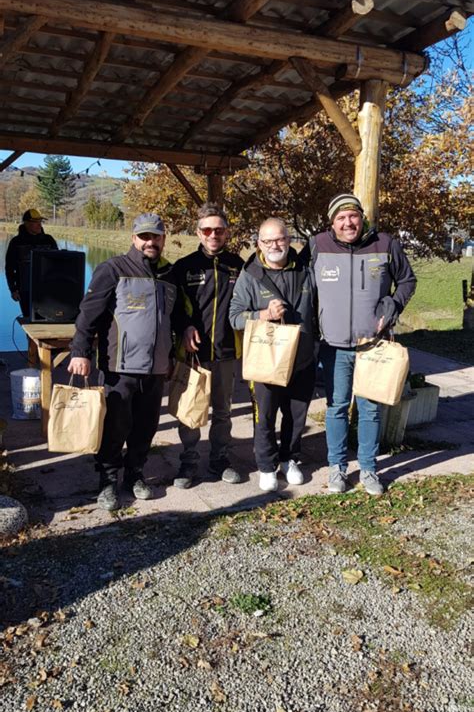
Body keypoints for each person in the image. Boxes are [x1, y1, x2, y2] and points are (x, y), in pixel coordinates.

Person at [68, 213, 189, 511]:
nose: (150, 241)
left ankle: (135, 474)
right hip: (119, 367)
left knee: (146, 426)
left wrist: (179, 342)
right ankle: (107, 480)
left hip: (157, 368)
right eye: (144, 236)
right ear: (134, 238)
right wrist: (79, 352)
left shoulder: (169, 274)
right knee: (115, 425)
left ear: (163, 238)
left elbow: (175, 318)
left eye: (156, 236)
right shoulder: (113, 269)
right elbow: (88, 315)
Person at [307, 192, 417, 495]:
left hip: (373, 346)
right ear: (332, 222)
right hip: (333, 345)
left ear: (361, 217)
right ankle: (337, 469)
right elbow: (305, 288)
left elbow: (408, 281)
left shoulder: (385, 244)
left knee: (369, 410)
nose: (348, 222)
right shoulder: (318, 246)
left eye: (353, 216)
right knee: (336, 407)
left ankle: (369, 469)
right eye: (341, 218)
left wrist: (392, 306)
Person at [229, 217, 317, 492]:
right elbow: (234, 317)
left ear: (289, 240)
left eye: (280, 239)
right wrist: (263, 315)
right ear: (259, 244)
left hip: (302, 357)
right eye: (268, 241)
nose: (274, 245)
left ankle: (290, 458)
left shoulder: (306, 269)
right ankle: (267, 466)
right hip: (266, 360)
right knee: (264, 416)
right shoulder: (250, 275)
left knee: (296, 415)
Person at [173, 202, 244, 488]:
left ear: (226, 233)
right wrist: (184, 326)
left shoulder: (239, 265)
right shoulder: (184, 267)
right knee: (191, 409)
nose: (213, 234)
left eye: (219, 230)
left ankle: (220, 460)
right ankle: (188, 462)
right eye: (207, 229)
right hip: (194, 353)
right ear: (199, 232)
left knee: (223, 411)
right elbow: (173, 307)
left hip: (226, 351)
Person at [5, 208, 58, 317]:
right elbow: (9, 268)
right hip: (25, 290)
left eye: (40, 222)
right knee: (30, 321)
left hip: (47, 290)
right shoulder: (16, 242)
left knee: (49, 320)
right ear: (27, 224)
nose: (39, 225)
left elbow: (58, 263)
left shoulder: (49, 240)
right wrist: (13, 289)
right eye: (36, 223)